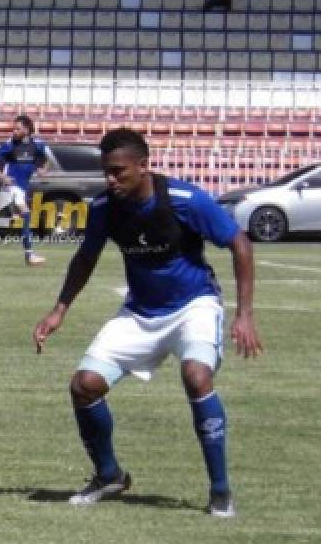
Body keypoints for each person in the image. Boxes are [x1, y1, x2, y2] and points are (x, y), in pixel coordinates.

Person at [32, 127, 262, 518]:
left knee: (196, 377)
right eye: (106, 171)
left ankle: (220, 490)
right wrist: (60, 309)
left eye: (118, 171)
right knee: (83, 386)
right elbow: (85, 258)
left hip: (194, 306)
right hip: (140, 314)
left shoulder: (186, 200)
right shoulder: (105, 207)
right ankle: (109, 476)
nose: (111, 179)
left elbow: (239, 243)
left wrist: (244, 314)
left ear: (143, 166)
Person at [0, 115, 51, 266]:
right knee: (26, 213)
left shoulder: (38, 145)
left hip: (22, 187)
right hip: (11, 185)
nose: (14, 131)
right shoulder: (9, 144)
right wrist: (2, 177)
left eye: (18, 128)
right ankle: (29, 255)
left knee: (0, 217)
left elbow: (46, 159)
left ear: (27, 129)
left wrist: (43, 169)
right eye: (14, 128)